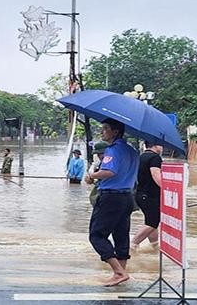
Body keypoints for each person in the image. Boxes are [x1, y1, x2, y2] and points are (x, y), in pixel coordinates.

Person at [84, 118, 139, 287]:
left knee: (96, 235)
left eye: (105, 128)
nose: (102, 132)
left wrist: (91, 175)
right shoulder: (132, 151)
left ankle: (119, 272)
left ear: (115, 132)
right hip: (127, 197)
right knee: (121, 236)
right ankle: (121, 273)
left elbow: (109, 171)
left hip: (111, 197)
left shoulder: (113, 150)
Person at [131, 142, 163, 251]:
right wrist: (166, 189)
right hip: (150, 196)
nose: (162, 148)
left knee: (150, 221)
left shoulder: (141, 157)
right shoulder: (155, 158)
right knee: (153, 222)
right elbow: (155, 174)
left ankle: (154, 246)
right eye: (161, 145)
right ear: (155, 145)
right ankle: (133, 245)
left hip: (140, 195)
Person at [88, 141, 109, 206]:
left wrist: (92, 175)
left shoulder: (110, 163)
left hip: (108, 195)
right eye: (98, 154)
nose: (100, 156)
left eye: (101, 153)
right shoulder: (99, 164)